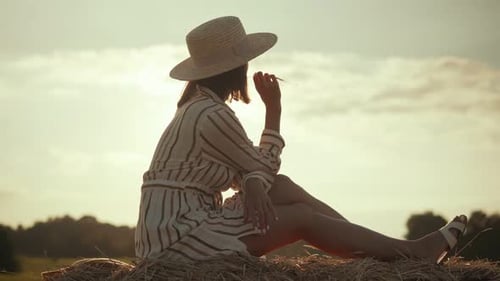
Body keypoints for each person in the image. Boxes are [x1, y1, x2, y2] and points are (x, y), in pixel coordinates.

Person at [135, 16, 467, 264]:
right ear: (235, 67)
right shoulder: (212, 115)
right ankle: (405, 253)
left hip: (172, 230)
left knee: (282, 186)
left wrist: (251, 178)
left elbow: (253, 173)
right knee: (300, 217)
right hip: (179, 239)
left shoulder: (198, 108)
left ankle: (380, 255)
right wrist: (274, 110)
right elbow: (261, 167)